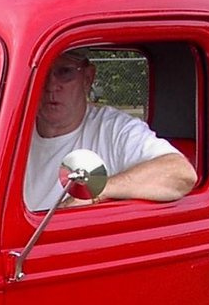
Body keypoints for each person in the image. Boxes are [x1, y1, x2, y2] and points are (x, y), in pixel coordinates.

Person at [23, 50, 198, 212]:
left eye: (65, 72)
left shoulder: (113, 129)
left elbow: (181, 173)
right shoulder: (14, 128)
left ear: (87, 78)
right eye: (42, 71)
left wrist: (98, 190)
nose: (51, 85)